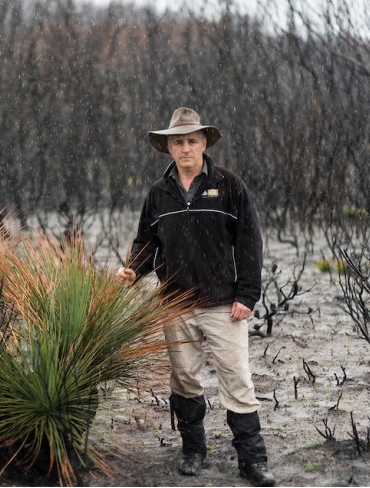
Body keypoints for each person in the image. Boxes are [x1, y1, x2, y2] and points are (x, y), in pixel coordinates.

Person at [116, 107, 275, 486]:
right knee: (184, 379)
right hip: (175, 303)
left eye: (191, 140)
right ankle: (193, 450)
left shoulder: (229, 185)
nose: (185, 148)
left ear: (203, 143)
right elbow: (146, 241)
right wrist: (134, 270)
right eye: (178, 142)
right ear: (168, 147)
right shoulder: (159, 193)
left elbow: (249, 242)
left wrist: (248, 294)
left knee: (236, 380)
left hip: (224, 303)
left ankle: (252, 461)